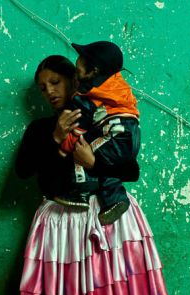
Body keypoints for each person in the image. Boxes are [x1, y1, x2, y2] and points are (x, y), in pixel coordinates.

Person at [14, 54, 179, 295]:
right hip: (63, 228)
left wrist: (95, 160)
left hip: (109, 220)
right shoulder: (40, 130)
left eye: (55, 82)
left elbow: (129, 168)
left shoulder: (103, 119)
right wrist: (56, 140)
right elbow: (25, 172)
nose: (49, 92)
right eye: (43, 88)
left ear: (75, 81)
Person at [56, 41, 141, 225]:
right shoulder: (114, 84)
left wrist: (64, 148)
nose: (77, 63)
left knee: (80, 146)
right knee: (97, 153)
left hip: (116, 131)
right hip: (129, 131)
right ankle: (111, 197)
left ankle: (84, 192)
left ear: (93, 71)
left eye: (81, 62)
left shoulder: (89, 96)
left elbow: (132, 171)